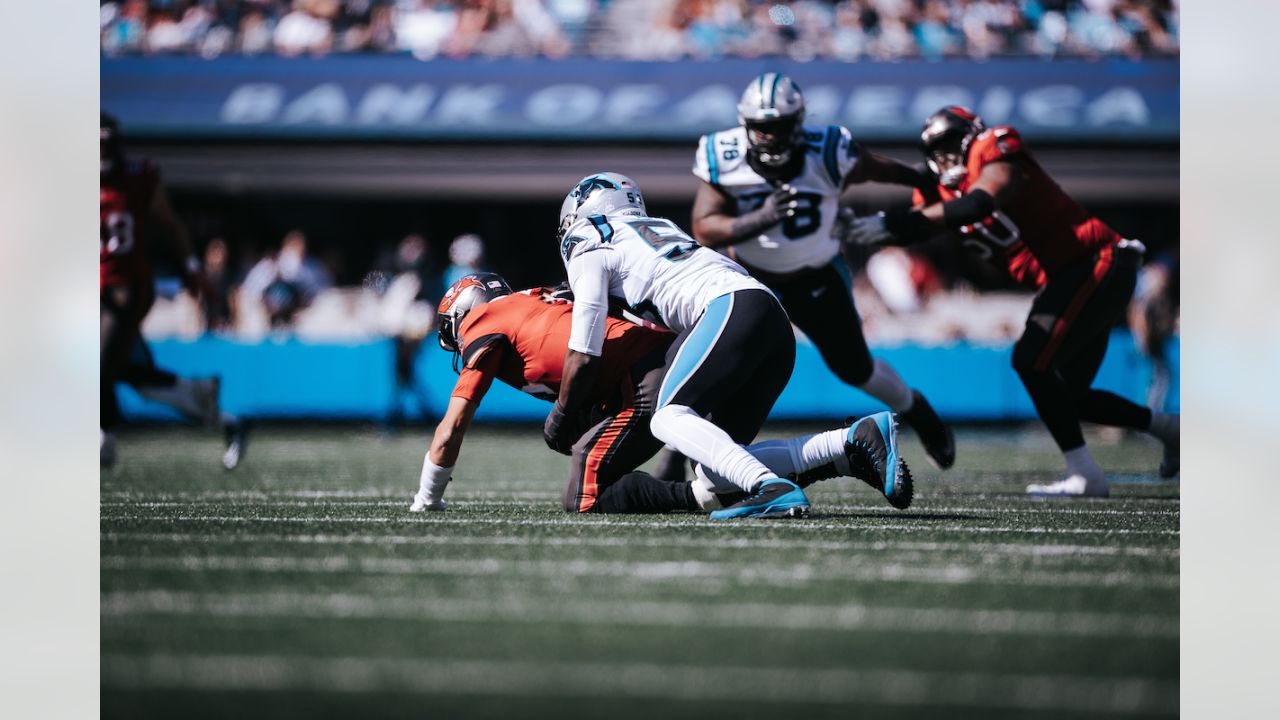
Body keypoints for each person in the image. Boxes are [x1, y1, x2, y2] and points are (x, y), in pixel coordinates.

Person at [843, 106, 1179, 497]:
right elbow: (919, 222)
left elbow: (980, 202)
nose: (945, 156)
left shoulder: (997, 147)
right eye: (936, 150)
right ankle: (1170, 429)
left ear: (972, 135)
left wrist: (889, 223)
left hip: (1094, 261)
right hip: (1074, 276)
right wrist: (863, 227)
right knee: (1069, 396)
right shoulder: (937, 191)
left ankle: (1084, 473)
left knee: (1030, 360)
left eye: (951, 144)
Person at [548, 172, 908, 519]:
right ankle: (850, 443)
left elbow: (584, 352)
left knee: (667, 417)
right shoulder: (651, 230)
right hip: (768, 318)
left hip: (729, 306)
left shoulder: (588, 237)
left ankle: (770, 488)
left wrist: (561, 414)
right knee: (716, 471)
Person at [410, 273, 912, 514]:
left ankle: (714, 500)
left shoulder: (485, 324)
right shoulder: (535, 300)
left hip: (649, 375)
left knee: (585, 491)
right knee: (719, 471)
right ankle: (847, 447)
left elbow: (453, 424)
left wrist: (427, 498)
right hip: (682, 349)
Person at [688, 72, 956, 474]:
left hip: (816, 275)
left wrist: (921, 178)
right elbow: (704, 227)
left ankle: (915, 408)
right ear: (745, 125)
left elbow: (878, 170)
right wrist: (763, 218)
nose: (770, 136)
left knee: (855, 369)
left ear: (799, 123)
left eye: (778, 126)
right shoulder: (722, 153)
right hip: (751, 279)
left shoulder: (827, 150)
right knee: (721, 364)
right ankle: (677, 458)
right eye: (761, 127)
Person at [100, 112, 247, 470]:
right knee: (133, 375)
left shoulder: (137, 179)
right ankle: (219, 413)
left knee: (99, 364)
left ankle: (103, 438)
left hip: (124, 289)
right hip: (92, 294)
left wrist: (193, 269)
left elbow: (169, 224)